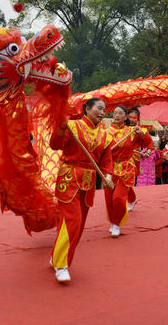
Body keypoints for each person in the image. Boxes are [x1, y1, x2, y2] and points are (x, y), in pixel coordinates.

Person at [49, 98, 114, 282]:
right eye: (98, 109)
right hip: (68, 178)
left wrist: (107, 177)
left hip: (89, 181)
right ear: (87, 109)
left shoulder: (105, 135)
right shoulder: (72, 126)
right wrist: (59, 129)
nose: (102, 112)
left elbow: (107, 161)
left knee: (80, 224)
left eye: (104, 110)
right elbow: (55, 145)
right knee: (72, 220)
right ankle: (62, 265)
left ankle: (56, 256)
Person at [105, 106, 152, 237]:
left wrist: (141, 133)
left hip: (126, 168)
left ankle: (116, 224)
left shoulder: (132, 132)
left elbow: (148, 142)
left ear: (126, 117)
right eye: (114, 113)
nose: (116, 115)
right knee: (109, 198)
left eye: (120, 113)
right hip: (110, 169)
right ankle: (113, 221)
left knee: (118, 198)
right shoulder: (106, 132)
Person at [126, 107, 153, 211]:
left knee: (127, 181)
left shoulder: (141, 130)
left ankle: (130, 199)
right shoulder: (122, 128)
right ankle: (130, 199)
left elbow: (149, 144)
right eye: (130, 117)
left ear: (138, 118)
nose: (132, 119)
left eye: (134, 117)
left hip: (133, 159)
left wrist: (148, 151)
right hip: (120, 158)